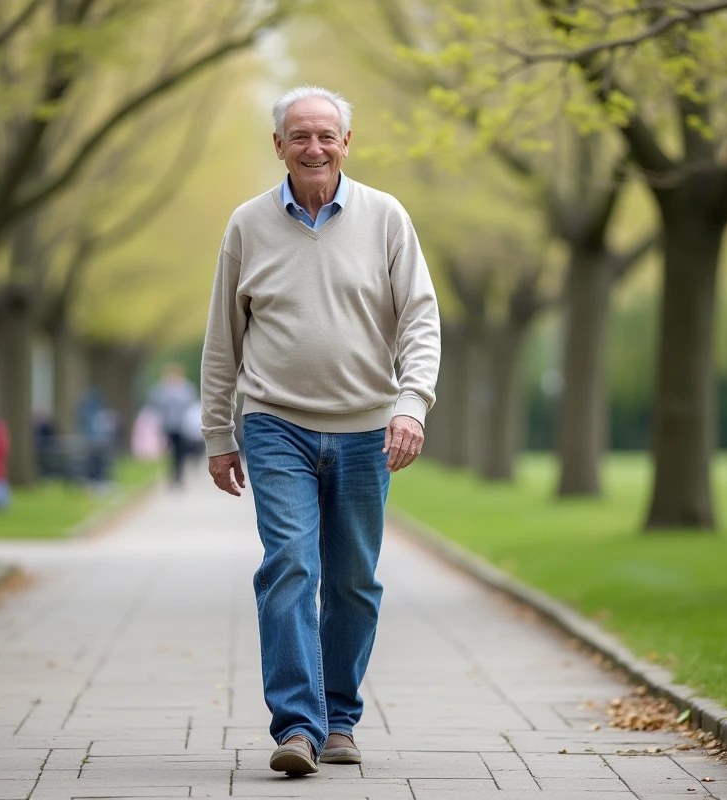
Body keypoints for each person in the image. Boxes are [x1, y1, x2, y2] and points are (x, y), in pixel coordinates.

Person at [200, 85, 441, 777]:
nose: (314, 147)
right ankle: (299, 728)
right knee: (290, 567)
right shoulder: (247, 225)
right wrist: (220, 434)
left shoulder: (386, 217)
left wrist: (411, 405)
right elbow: (224, 339)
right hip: (276, 426)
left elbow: (420, 320)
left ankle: (340, 718)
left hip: (368, 429)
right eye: (299, 136)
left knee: (353, 581)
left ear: (345, 143)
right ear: (278, 145)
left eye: (326, 135)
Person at [146, 364, 199, 486]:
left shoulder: (186, 388)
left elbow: (190, 404)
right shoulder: (161, 388)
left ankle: (179, 474)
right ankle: (172, 473)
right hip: (167, 426)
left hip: (182, 426)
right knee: (169, 451)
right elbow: (155, 404)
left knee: (180, 451)